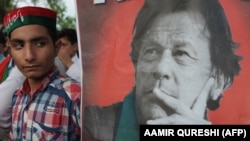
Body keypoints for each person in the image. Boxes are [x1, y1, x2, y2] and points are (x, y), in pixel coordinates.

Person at [83, 0, 242, 140]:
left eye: (181, 53)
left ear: (219, 81)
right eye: (151, 51)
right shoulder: (91, 124)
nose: (161, 68)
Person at [2, 6, 81, 140]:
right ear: (11, 50)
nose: (29, 56)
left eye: (39, 44)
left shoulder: (75, 96)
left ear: (56, 48)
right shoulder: (18, 96)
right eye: (19, 46)